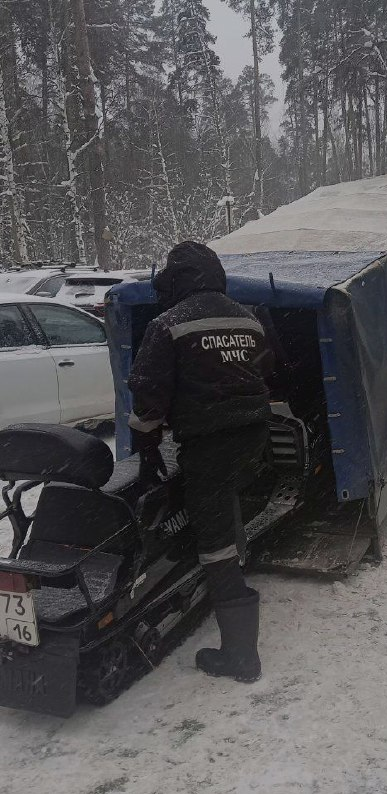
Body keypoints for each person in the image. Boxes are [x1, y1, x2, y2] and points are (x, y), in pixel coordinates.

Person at [128, 240, 274, 682]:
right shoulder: (248, 317)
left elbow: (149, 395)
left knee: (213, 540)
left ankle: (241, 657)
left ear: (176, 280)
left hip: (209, 445)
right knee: (227, 502)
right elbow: (264, 371)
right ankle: (234, 551)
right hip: (254, 438)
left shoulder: (167, 324)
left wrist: (147, 444)